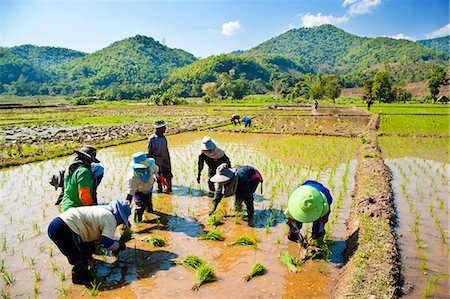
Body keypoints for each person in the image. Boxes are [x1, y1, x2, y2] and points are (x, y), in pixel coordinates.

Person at [47, 199, 131, 285]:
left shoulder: (101, 209)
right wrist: (120, 245)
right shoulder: (111, 219)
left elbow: (94, 235)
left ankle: (88, 266)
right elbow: (107, 243)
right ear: (120, 217)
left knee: (87, 248)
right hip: (64, 229)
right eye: (121, 222)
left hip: (58, 223)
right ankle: (80, 283)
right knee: (79, 260)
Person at [125, 152, 167, 222]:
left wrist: (164, 182)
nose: (143, 168)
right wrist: (128, 202)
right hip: (138, 192)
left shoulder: (151, 166)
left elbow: (157, 173)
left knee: (149, 205)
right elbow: (131, 190)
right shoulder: (133, 176)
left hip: (148, 189)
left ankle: (150, 216)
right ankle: (138, 222)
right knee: (141, 206)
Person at [61, 145, 102, 212]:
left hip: (65, 207)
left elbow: (65, 189)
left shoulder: (70, 168)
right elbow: (84, 195)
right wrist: (93, 211)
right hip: (76, 211)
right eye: (91, 161)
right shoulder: (84, 172)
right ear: (88, 159)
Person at [146, 120, 172, 193]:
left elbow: (166, 151)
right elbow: (148, 153)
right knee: (159, 179)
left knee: (168, 177)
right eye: (164, 127)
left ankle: (169, 191)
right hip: (157, 163)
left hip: (166, 162)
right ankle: (160, 192)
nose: (165, 129)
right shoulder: (152, 139)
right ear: (159, 129)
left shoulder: (164, 138)